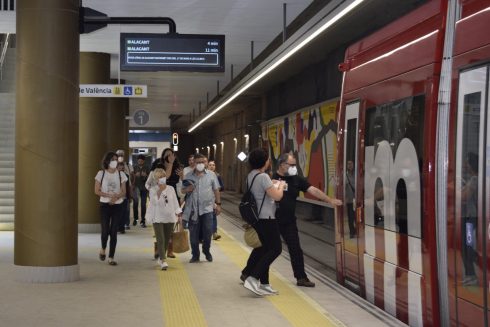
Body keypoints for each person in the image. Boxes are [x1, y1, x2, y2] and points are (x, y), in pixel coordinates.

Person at [272, 152, 342, 287]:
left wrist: (329, 200)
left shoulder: (296, 179)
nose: (294, 167)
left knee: (296, 249)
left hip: (289, 221)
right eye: (291, 165)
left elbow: (313, 190)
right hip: (272, 220)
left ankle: (301, 278)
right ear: (282, 165)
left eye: (295, 165)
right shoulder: (271, 178)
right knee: (269, 249)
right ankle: (250, 273)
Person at [241, 148, 286, 296]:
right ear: (264, 161)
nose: (268, 161)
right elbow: (277, 196)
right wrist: (280, 186)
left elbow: (260, 191)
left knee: (266, 249)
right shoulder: (264, 177)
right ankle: (253, 278)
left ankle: (265, 284)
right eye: (267, 159)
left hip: (257, 219)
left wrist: (272, 183)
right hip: (267, 218)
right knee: (275, 249)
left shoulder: (251, 176)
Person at [182, 153, 221, 263]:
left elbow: (216, 190)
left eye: (202, 162)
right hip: (193, 210)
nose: (200, 164)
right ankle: (195, 255)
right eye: (198, 162)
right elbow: (182, 190)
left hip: (207, 209)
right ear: (194, 163)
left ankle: (206, 250)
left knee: (208, 232)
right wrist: (187, 189)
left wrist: (218, 204)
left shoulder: (211, 175)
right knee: (193, 234)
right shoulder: (189, 175)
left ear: (206, 163)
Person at [94, 151, 128, 266]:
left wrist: (116, 197)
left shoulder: (121, 174)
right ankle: (103, 249)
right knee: (105, 230)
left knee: (113, 231)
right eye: (113, 159)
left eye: (116, 159)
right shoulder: (101, 173)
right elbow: (96, 190)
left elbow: (124, 191)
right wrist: (109, 196)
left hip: (118, 205)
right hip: (104, 205)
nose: (115, 161)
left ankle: (111, 257)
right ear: (107, 161)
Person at [146, 168, 182, 270]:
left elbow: (175, 202)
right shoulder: (153, 189)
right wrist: (159, 191)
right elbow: (154, 203)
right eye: (159, 177)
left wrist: (179, 213)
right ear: (156, 179)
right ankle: (163, 259)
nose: (162, 179)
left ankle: (162, 257)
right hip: (157, 217)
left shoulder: (170, 188)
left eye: (163, 176)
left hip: (170, 217)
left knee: (166, 239)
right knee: (160, 239)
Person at [150, 148, 183, 257]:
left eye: (171, 155)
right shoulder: (158, 165)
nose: (170, 157)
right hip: (159, 195)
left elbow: (180, 181)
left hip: (172, 195)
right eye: (167, 155)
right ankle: (158, 247)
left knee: (170, 224)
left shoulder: (177, 165)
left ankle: (169, 249)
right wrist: (169, 164)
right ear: (163, 156)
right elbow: (165, 177)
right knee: (159, 223)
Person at [461, 152, 479, 286]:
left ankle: (472, 275)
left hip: (470, 218)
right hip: (470, 217)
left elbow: (464, 197)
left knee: (467, 246)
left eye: (466, 162)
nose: (465, 165)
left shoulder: (474, 180)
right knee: (467, 245)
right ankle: (470, 274)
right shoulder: (473, 179)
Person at [133, 154, 150, 228]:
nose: (140, 162)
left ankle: (143, 221)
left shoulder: (147, 167)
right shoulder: (134, 167)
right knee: (135, 203)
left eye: (141, 161)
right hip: (136, 187)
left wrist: (145, 175)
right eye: (138, 160)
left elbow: (150, 178)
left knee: (143, 204)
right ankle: (135, 219)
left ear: (144, 161)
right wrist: (134, 175)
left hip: (144, 188)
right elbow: (131, 177)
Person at [208, 160, 224, 240]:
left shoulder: (217, 175)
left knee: (213, 216)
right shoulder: (205, 175)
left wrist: (218, 202)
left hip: (214, 199)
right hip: (206, 199)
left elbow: (221, 188)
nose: (212, 166)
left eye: (213, 165)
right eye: (210, 165)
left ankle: (214, 233)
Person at [116, 162, 131, 234]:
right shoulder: (113, 175)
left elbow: (128, 186)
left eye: (122, 167)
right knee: (116, 213)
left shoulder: (126, 176)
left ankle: (121, 228)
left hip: (124, 197)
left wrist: (129, 196)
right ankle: (116, 227)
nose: (121, 168)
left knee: (123, 213)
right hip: (115, 197)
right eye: (119, 166)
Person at [345, 160, 356, 238]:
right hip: (350, 200)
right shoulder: (345, 175)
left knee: (357, 216)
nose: (349, 165)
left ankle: (357, 230)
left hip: (357, 199)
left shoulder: (357, 174)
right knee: (351, 217)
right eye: (348, 164)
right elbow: (344, 187)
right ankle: (352, 232)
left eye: (351, 164)